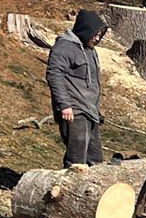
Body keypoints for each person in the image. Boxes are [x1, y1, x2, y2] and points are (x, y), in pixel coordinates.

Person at [45, 9, 106, 167]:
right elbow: (54, 75)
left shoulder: (89, 49)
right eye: (95, 35)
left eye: (100, 35)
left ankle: (92, 191)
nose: (98, 39)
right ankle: (67, 191)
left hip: (90, 111)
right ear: (85, 30)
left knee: (96, 160)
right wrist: (64, 105)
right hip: (74, 112)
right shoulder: (64, 47)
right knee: (76, 162)